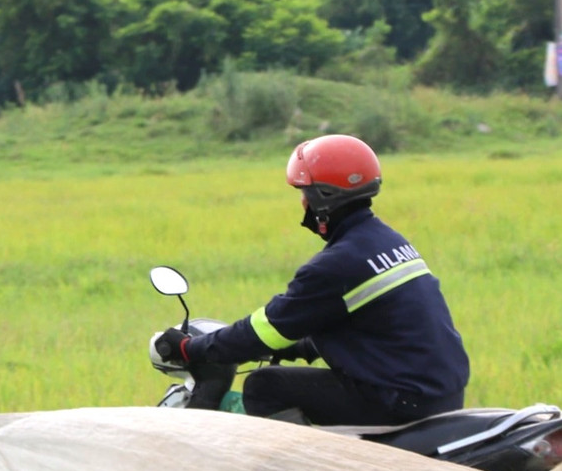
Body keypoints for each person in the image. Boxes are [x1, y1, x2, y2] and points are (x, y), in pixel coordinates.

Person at [153, 134, 469, 426]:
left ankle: (297, 467)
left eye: (304, 193)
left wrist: (191, 348)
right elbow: (370, 325)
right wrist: (302, 345)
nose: (303, 202)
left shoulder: (336, 264)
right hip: (438, 394)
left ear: (322, 199)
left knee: (265, 385)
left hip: (400, 400)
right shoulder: (389, 241)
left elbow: (266, 329)